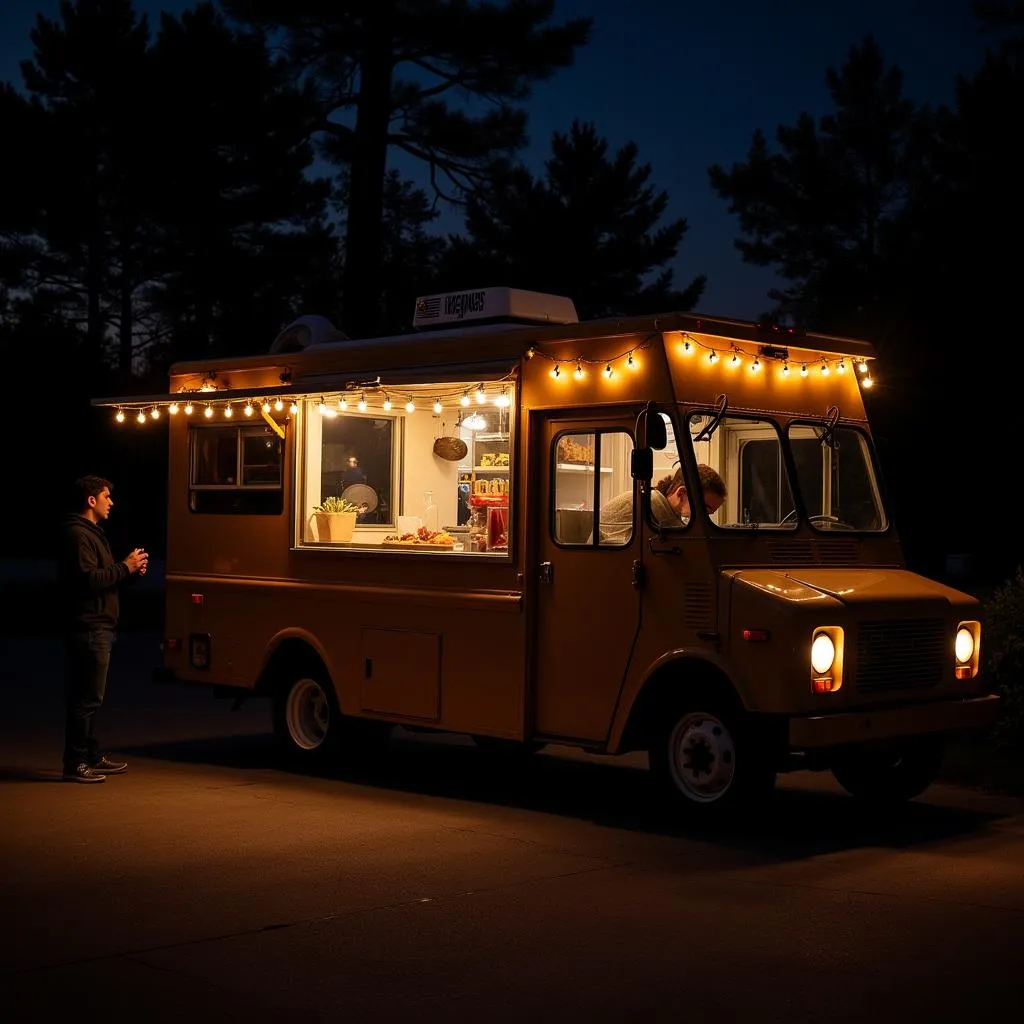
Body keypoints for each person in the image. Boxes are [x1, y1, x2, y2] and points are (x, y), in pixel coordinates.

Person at [58, 475, 148, 783]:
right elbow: (88, 579)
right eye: (106, 496)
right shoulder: (76, 535)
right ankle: (75, 763)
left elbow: (105, 578)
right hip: (89, 627)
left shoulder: (92, 533)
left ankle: (91, 755)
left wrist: (131, 572)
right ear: (91, 501)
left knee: (92, 697)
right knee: (86, 698)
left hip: (100, 625)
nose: (112, 502)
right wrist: (125, 566)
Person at [599, 463, 727, 543]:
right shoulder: (653, 505)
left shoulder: (658, 501)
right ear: (681, 493)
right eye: (704, 508)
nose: (704, 517)